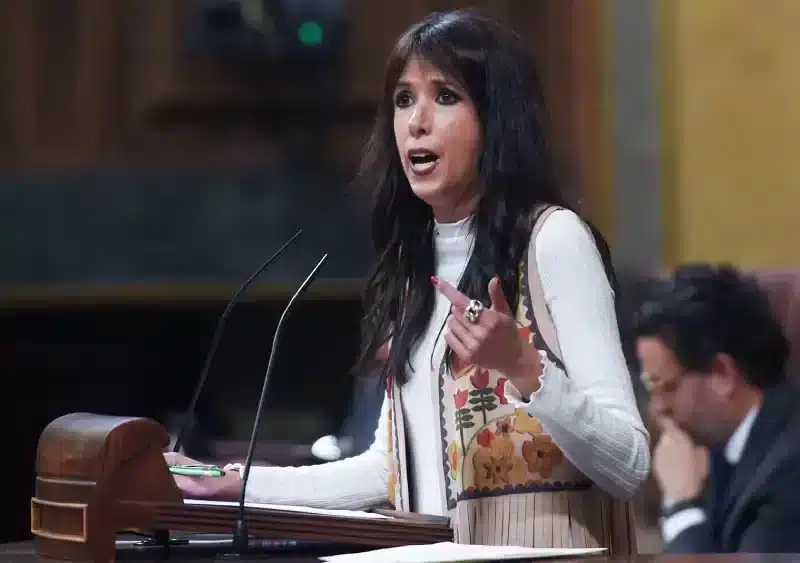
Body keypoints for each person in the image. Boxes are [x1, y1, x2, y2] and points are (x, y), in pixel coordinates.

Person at [165, 9, 649, 551]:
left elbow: (628, 464)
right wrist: (236, 482)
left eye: (445, 96)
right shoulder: (413, 270)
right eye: (403, 99)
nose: (416, 121)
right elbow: (388, 470)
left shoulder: (553, 241)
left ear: (497, 119)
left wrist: (527, 369)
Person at [636, 264, 800, 553]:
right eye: (651, 388)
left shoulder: (789, 474)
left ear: (723, 374)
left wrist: (681, 507)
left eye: (668, 387)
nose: (658, 408)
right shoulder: (720, 446)